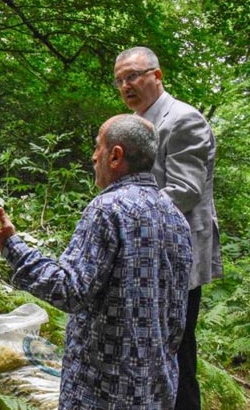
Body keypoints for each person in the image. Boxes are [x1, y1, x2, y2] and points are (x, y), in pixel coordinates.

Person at [0, 114, 192, 409]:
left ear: (115, 156)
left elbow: (69, 290)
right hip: (157, 391)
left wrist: (9, 247)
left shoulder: (108, 209)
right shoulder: (176, 217)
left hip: (102, 392)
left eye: (97, 147)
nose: (93, 156)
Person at [114, 46, 221, 410]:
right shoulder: (138, 122)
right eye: (119, 80)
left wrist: (126, 213)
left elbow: (186, 191)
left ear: (156, 76)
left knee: (175, 351)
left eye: (132, 76)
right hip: (148, 253)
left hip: (178, 254)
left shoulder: (182, 119)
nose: (125, 85)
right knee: (152, 347)